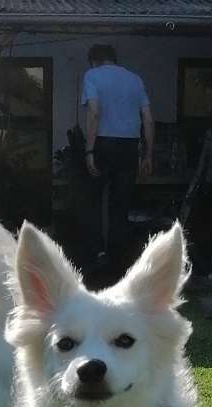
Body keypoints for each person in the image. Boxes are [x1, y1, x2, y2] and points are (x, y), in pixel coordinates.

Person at [81, 44, 154, 270]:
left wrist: (89, 150)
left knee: (94, 201)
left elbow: (94, 112)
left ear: (94, 61)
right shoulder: (135, 79)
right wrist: (148, 155)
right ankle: (118, 259)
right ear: (114, 59)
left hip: (103, 144)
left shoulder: (92, 75)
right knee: (120, 204)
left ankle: (95, 254)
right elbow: (148, 119)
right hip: (129, 147)